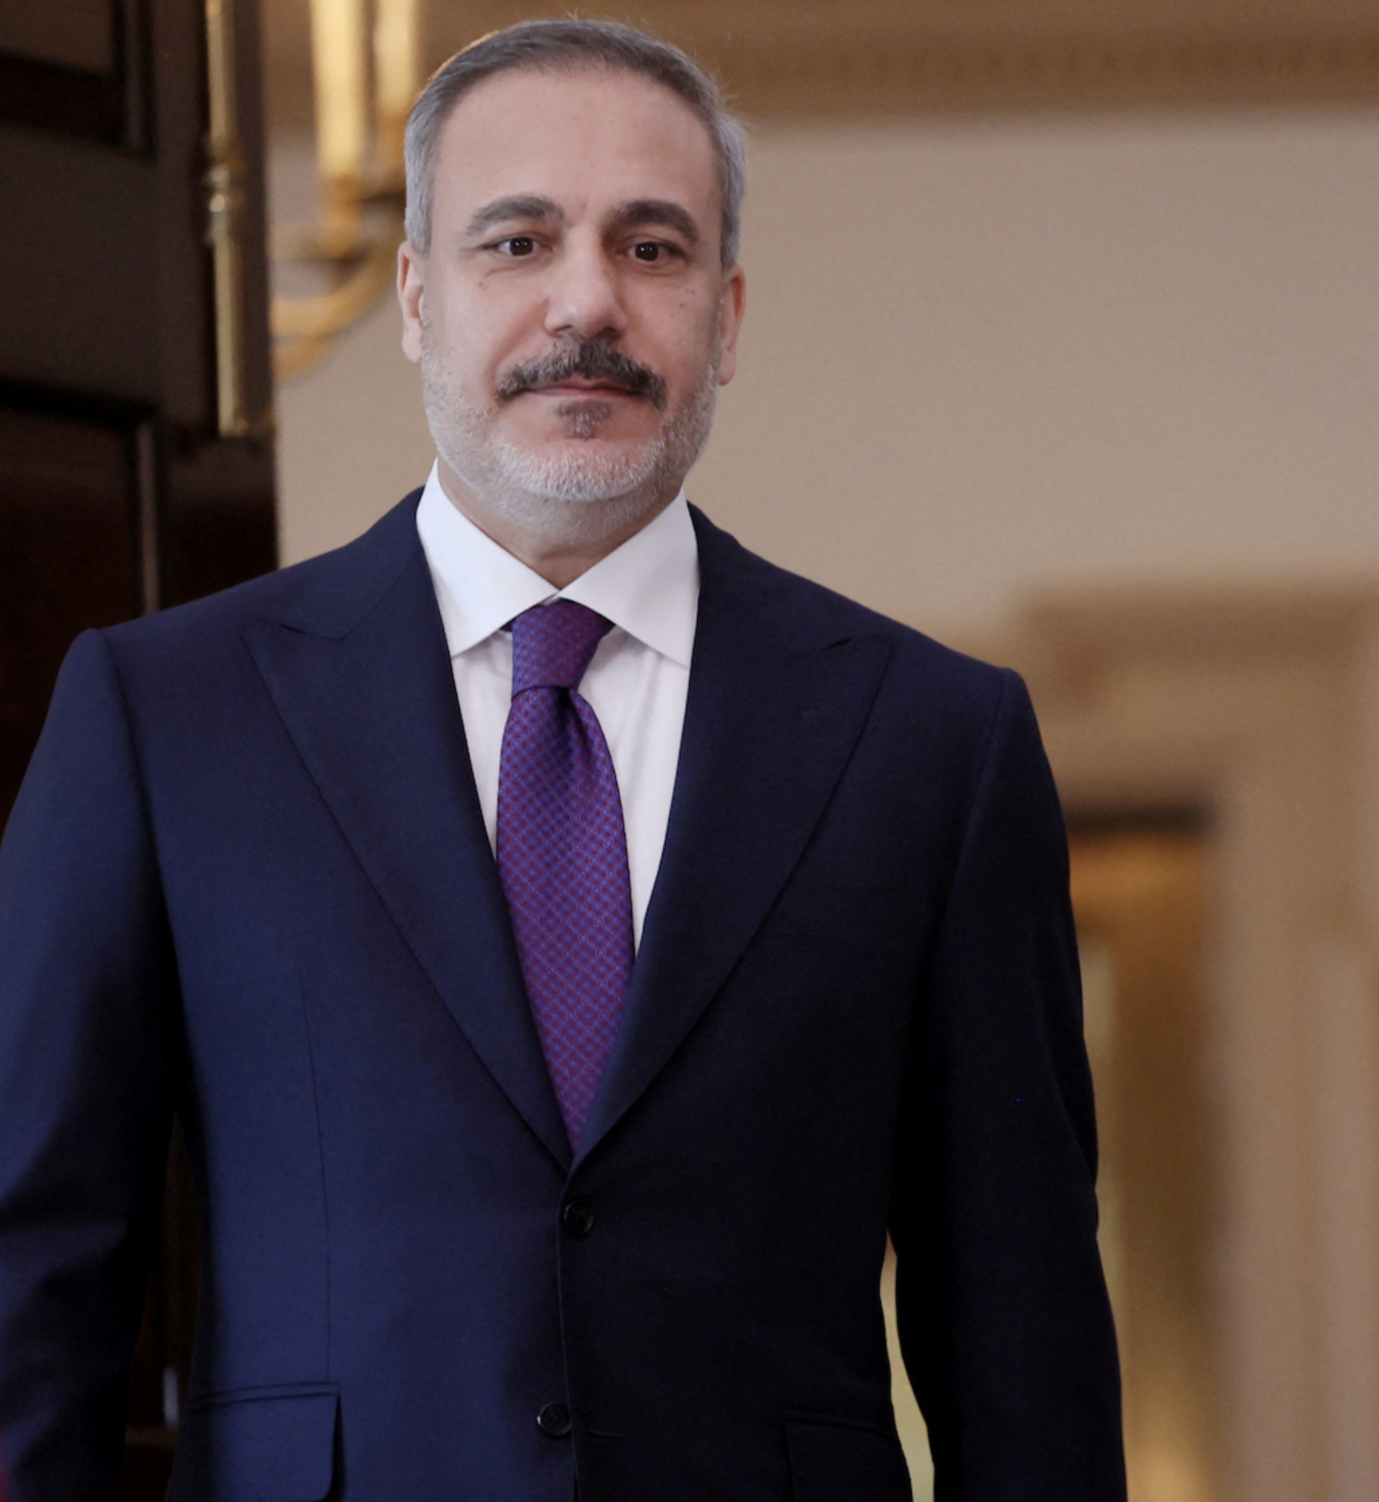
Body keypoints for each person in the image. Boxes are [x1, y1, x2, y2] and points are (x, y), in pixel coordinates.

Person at [0, 19, 1123, 1500]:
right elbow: (31, 1279)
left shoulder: (935, 745)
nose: (585, 302)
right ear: (418, 296)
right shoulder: (166, 716)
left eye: (651, 249)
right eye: (517, 241)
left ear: (727, 315)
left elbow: (1025, 1345)